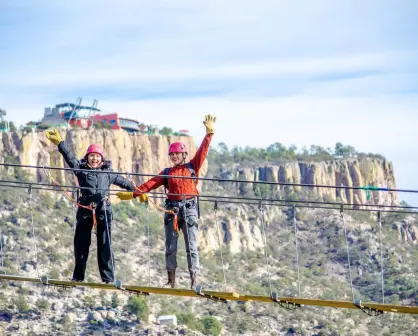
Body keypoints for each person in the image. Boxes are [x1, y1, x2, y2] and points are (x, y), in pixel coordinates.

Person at [116, 114, 216, 289]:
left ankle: (195, 279)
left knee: (191, 247)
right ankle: (171, 279)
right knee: (170, 246)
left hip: (190, 209)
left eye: (177, 154)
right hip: (172, 210)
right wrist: (133, 194)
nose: (174, 156)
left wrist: (209, 134)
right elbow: (150, 184)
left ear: (184, 154)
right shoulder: (167, 172)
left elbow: (203, 150)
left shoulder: (192, 166)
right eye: (172, 154)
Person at [45, 129, 135, 284]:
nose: (94, 159)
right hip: (85, 210)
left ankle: (108, 279)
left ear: (102, 159)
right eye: (92, 156)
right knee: (81, 244)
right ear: (87, 158)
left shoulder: (108, 173)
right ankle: (78, 277)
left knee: (105, 244)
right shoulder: (81, 170)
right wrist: (60, 143)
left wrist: (138, 193)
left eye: (97, 156)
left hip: (103, 210)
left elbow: (126, 184)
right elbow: (70, 158)